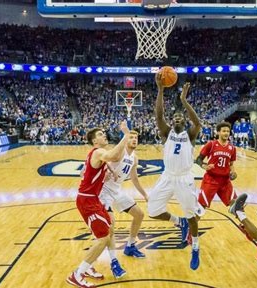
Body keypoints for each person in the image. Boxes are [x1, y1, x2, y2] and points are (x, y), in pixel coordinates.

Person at [67, 121, 130, 288]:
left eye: (104, 133)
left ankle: (89, 267)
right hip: (88, 200)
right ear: (95, 141)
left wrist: (109, 171)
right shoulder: (98, 151)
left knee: (107, 231)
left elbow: (96, 167)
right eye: (101, 134)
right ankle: (77, 274)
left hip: (92, 199)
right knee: (103, 238)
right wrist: (125, 134)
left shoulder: (96, 153)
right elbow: (115, 156)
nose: (104, 135)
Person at [147, 74, 202, 270]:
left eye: (181, 117)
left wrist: (184, 101)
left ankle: (195, 247)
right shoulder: (165, 132)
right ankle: (178, 222)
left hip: (185, 178)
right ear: (172, 121)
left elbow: (198, 124)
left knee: (191, 215)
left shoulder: (190, 134)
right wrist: (161, 90)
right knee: (152, 211)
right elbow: (159, 115)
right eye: (175, 117)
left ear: (184, 121)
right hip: (167, 176)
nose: (178, 119)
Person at [99, 130, 148, 262]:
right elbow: (102, 160)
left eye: (136, 138)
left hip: (117, 191)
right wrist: (106, 173)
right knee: (110, 226)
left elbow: (135, 179)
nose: (134, 140)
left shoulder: (134, 158)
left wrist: (144, 194)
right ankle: (112, 259)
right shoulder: (120, 152)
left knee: (139, 214)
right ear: (125, 140)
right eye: (131, 137)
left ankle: (130, 246)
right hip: (104, 191)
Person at [196, 121, 237, 209]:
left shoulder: (232, 148)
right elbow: (198, 159)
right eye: (224, 131)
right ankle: (188, 223)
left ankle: (242, 222)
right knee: (201, 206)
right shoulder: (211, 144)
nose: (226, 133)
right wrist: (204, 166)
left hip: (225, 181)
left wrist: (233, 172)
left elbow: (231, 164)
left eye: (228, 131)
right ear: (218, 132)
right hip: (211, 179)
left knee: (236, 204)